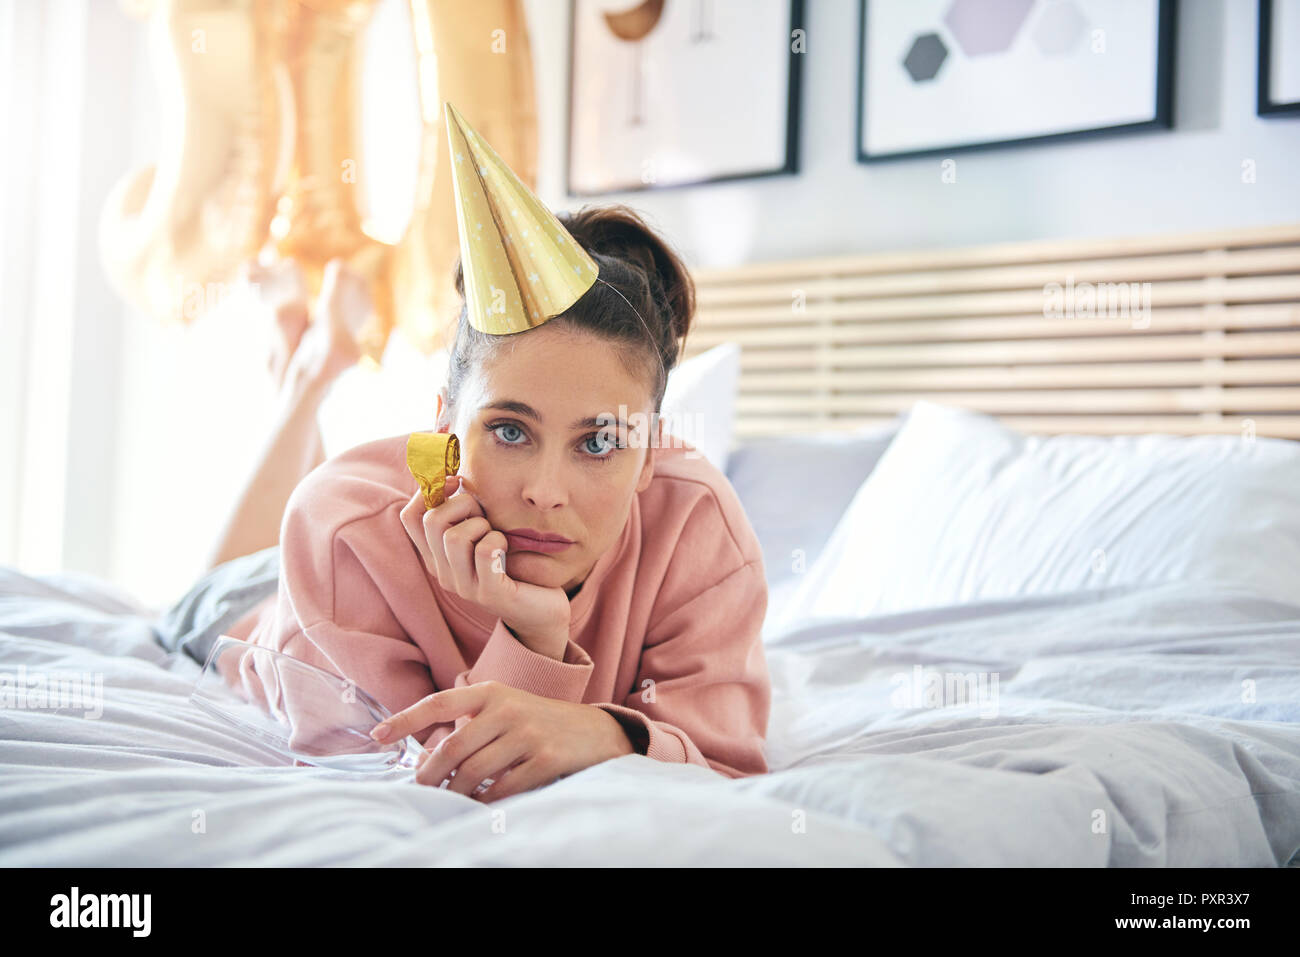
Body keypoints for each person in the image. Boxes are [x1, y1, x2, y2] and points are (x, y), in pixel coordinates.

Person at [203, 171, 770, 799]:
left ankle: (309, 360)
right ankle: (309, 374)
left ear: (649, 455)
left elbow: (726, 766)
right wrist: (534, 641)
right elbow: (414, 780)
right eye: (508, 431)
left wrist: (605, 734)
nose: (545, 492)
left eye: (600, 442)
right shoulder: (341, 528)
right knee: (217, 580)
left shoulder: (700, 526)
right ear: (445, 420)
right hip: (263, 608)